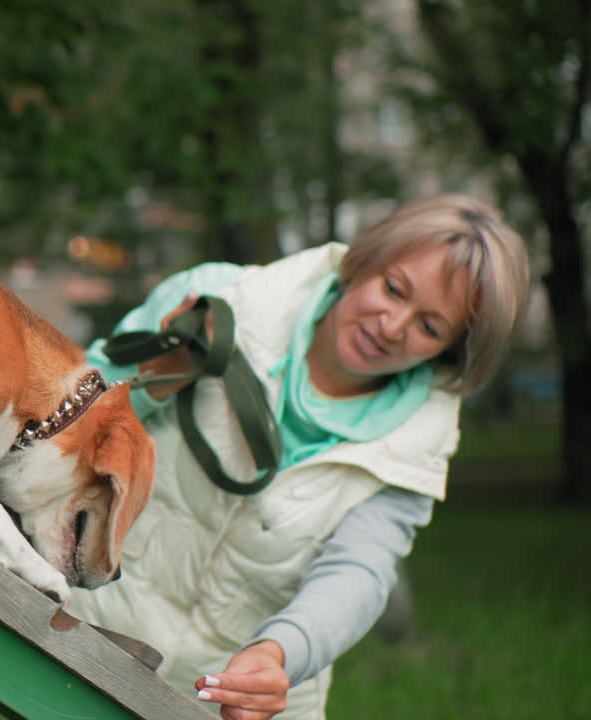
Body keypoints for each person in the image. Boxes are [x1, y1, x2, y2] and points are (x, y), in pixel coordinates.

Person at [66, 195, 531, 719]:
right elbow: (64, 419)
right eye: (394, 288)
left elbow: (359, 571)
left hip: (234, 705)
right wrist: (156, 374)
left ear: (448, 352)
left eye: (429, 326)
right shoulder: (218, 297)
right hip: (83, 647)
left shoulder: (417, 443)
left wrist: (280, 654)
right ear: (363, 262)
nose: (393, 325)